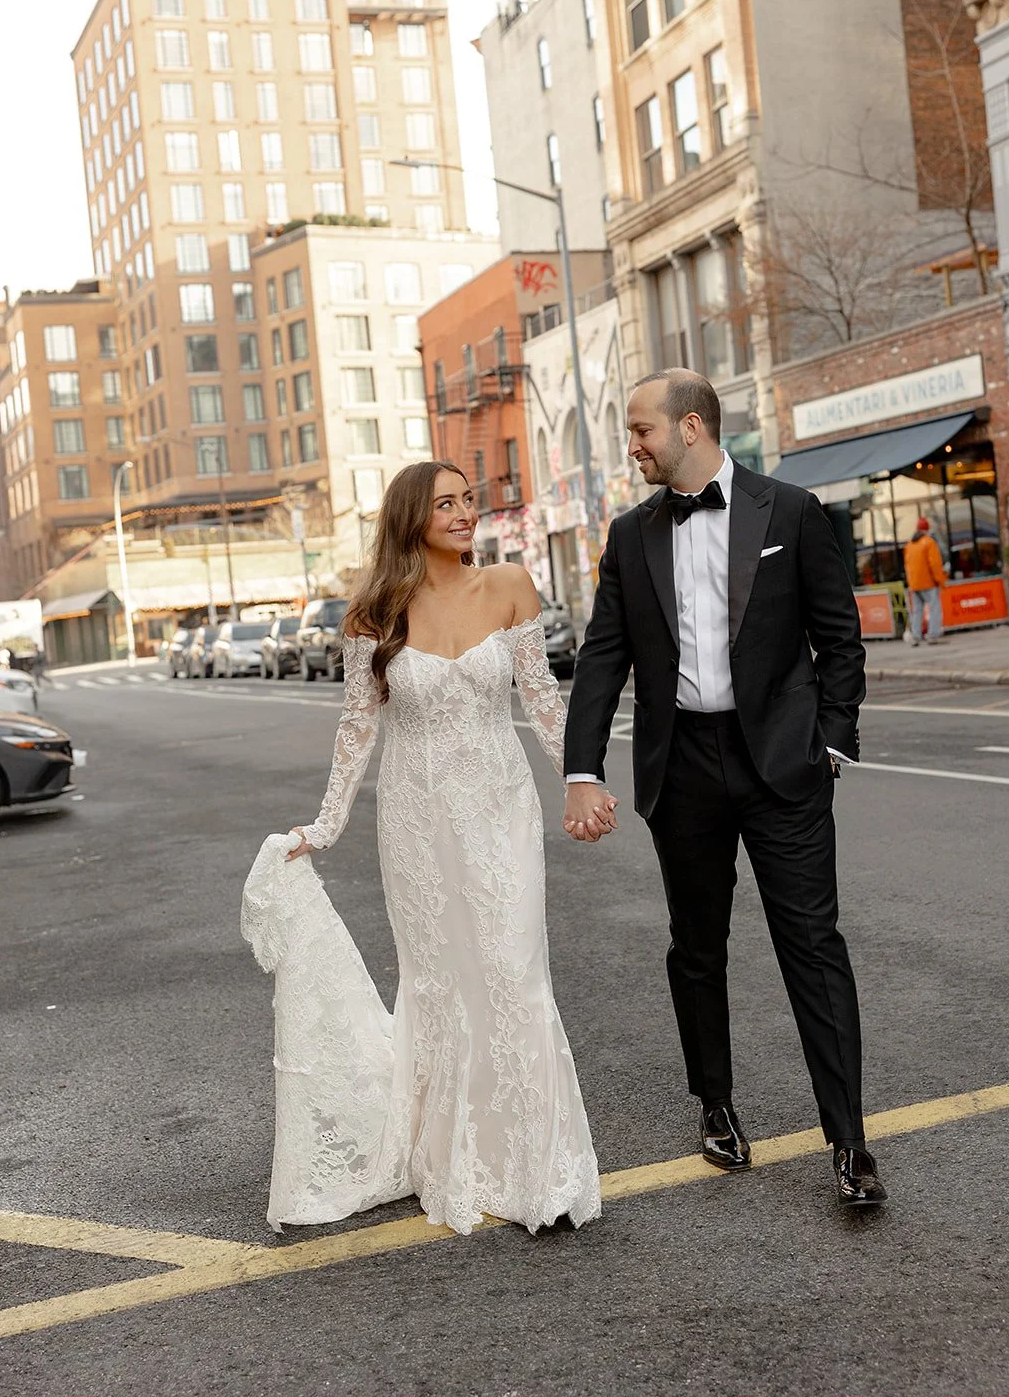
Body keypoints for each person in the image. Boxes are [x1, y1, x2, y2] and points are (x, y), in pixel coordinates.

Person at [562, 370, 887, 1208]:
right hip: (684, 766)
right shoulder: (630, 536)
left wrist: (833, 741)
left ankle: (849, 1143)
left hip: (781, 763)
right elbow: (603, 659)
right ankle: (715, 1106)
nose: (630, 445)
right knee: (697, 948)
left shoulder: (791, 511)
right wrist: (582, 768)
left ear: (692, 426)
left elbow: (837, 637)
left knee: (813, 949)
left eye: (640, 430)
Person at [266, 460, 610, 1236]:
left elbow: (544, 702)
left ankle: (539, 1169)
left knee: (514, 972)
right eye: (446, 503)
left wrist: (580, 781)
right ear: (411, 518)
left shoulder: (511, 585)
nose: (465, 513)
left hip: (499, 806)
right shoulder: (373, 613)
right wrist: (323, 827)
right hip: (416, 820)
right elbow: (357, 726)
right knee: (442, 983)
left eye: (468, 499)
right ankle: (452, 1156)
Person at [903, 517, 949, 646]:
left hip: (914, 584)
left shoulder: (910, 545)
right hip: (928, 583)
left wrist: (911, 583)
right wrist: (940, 581)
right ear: (927, 529)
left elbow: (907, 566)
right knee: (934, 608)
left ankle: (916, 636)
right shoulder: (929, 542)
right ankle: (933, 634)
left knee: (917, 611)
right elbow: (934, 564)